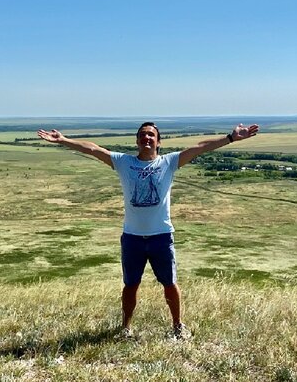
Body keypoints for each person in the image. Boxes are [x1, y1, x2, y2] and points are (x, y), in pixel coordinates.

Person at [36, 121, 259, 339]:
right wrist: (63, 140)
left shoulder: (169, 162)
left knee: (169, 284)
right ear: (136, 141)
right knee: (130, 285)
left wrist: (230, 138)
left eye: (151, 135)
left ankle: (177, 326)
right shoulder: (123, 162)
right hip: (132, 237)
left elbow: (200, 148)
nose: (147, 138)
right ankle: (125, 328)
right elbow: (94, 149)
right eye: (143, 134)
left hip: (161, 236)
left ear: (158, 142)